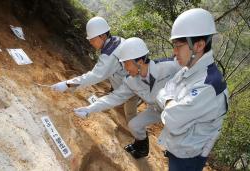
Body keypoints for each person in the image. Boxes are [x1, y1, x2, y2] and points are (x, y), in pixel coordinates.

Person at [73, 37, 180, 159]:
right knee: (134, 125)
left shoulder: (170, 67)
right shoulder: (131, 81)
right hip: (156, 109)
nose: (124, 67)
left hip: (178, 111)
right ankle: (141, 148)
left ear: (139, 61)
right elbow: (113, 98)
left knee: (177, 142)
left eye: (126, 63)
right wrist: (89, 109)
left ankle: (175, 151)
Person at [156, 8, 229, 171]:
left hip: (188, 159)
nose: (174, 53)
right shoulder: (187, 69)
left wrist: (168, 100)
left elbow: (173, 120)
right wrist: (171, 102)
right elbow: (162, 92)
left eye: (178, 46)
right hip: (179, 148)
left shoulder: (209, 85)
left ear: (199, 45)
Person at [51, 16, 138, 122]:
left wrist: (67, 84)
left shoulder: (110, 54)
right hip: (130, 81)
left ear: (102, 36)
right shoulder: (118, 40)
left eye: (92, 39)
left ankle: (140, 137)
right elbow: (118, 68)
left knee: (131, 115)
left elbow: (94, 76)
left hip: (132, 87)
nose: (90, 42)